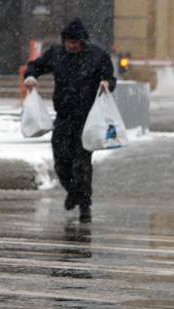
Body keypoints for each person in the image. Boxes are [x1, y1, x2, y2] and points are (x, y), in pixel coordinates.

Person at [24, 19, 116, 224]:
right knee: (61, 163)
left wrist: (106, 83)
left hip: (87, 120)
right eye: (68, 42)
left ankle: (85, 205)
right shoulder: (57, 54)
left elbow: (110, 78)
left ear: (83, 41)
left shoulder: (97, 56)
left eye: (75, 42)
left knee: (82, 164)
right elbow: (35, 66)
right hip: (64, 118)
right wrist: (30, 77)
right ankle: (74, 192)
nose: (71, 46)